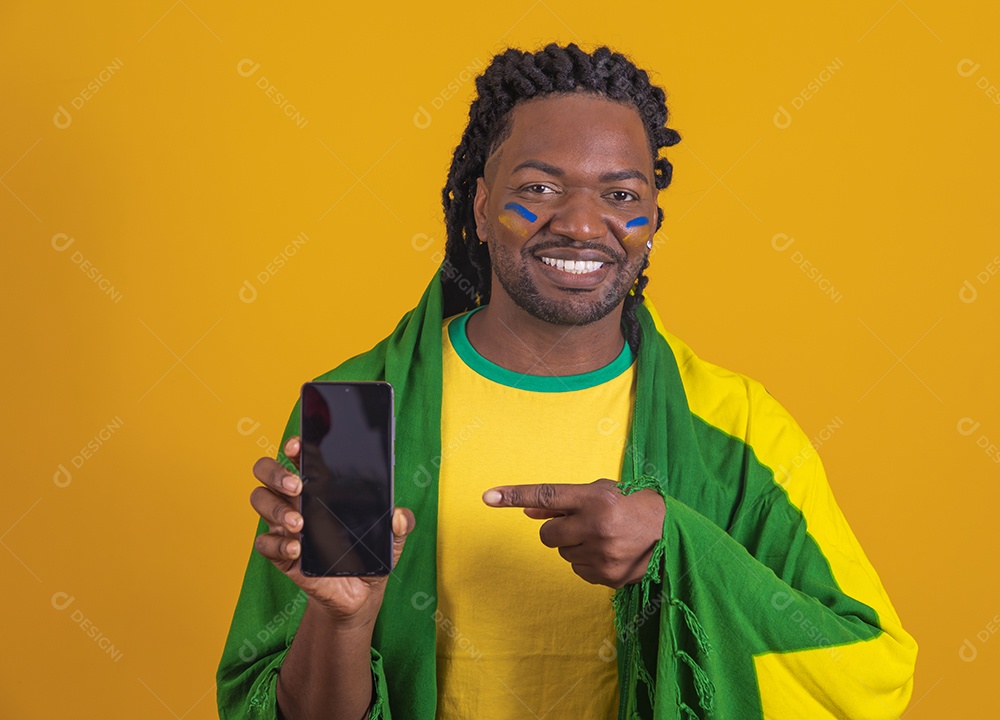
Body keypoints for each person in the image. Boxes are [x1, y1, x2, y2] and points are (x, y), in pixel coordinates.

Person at [216, 43, 917, 719]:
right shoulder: (359, 415)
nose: (581, 224)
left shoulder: (737, 426)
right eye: (539, 188)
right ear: (481, 207)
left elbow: (870, 670)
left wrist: (677, 546)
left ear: (653, 220)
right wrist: (343, 621)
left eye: (620, 194)